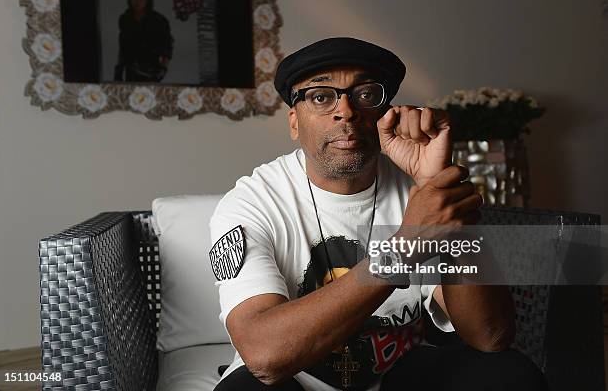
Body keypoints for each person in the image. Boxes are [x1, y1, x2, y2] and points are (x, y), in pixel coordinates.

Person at [209, 37, 550, 391]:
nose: (346, 111)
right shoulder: (252, 201)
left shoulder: (417, 189)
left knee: (510, 375)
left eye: (366, 94)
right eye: (321, 96)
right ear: (294, 121)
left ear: (384, 112)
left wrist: (438, 186)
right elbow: (264, 355)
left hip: (397, 375)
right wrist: (401, 252)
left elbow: (490, 334)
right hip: (294, 380)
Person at [114, 0, 173, 82]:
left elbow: (167, 47)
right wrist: (119, 69)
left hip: (151, 71)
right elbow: (123, 46)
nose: (137, 1)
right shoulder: (125, 19)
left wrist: (163, 69)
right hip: (131, 70)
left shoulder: (158, 20)